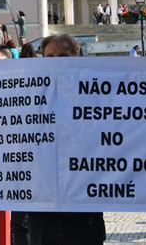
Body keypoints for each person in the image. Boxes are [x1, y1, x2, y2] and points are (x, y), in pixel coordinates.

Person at [27, 34, 106, 245]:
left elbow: (123, 121)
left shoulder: (96, 90)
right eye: (50, 56)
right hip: (44, 205)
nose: (56, 60)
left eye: (62, 55)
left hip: (84, 202)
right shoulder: (27, 93)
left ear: (76, 56)